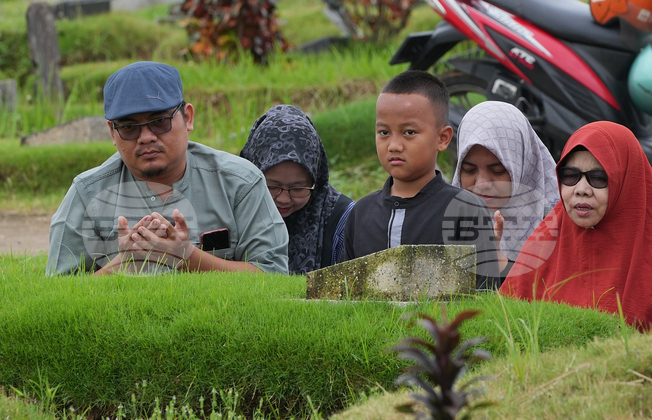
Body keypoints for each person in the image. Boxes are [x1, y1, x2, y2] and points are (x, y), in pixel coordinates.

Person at [47, 61, 288, 276]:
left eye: (159, 121)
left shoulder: (241, 182)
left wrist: (187, 258)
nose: (146, 137)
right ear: (112, 132)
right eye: (129, 128)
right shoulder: (86, 193)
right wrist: (125, 263)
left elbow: (273, 273)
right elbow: (58, 297)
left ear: (188, 118)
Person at [501, 121, 652, 331]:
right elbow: (505, 325)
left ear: (626, 180)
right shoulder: (546, 240)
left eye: (598, 178)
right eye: (570, 176)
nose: (581, 189)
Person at [344, 70, 500, 288]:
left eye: (409, 132)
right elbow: (344, 295)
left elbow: (484, 297)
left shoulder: (466, 211)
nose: (394, 145)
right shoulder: (361, 214)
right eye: (384, 132)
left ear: (442, 138)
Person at [240, 105, 355, 274]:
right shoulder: (232, 208)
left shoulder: (343, 218)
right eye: (272, 187)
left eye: (298, 188)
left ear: (316, 179)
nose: (284, 199)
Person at [452, 101, 560, 275]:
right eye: (469, 170)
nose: (482, 184)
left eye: (498, 170)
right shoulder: (444, 219)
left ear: (522, 166)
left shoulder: (559, 226)